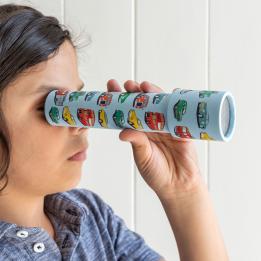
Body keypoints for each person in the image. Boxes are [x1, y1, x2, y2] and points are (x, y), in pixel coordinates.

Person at [0, 3, 229, 261]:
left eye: (76, 101)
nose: (80, 124)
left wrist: (184, 191)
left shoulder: (90, 218)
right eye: (51, 107)